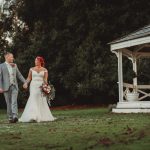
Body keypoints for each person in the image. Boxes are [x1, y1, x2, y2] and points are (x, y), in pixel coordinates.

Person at [19, 56, 56, 122]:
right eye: (35, 60)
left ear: (40, 62)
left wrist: (46, 87)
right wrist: (26, 83)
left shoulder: (45, 70)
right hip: (33, 85)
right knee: (33, 98)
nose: (35, 62)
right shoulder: (31, 69)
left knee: (41, 99)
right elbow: (29, 78)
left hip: (41, 86)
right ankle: (33, 116)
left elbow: (45, 79)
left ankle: (41, 115)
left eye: (37, 61)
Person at [0, 52, 27, 123]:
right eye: (11, 57)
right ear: (6, 57)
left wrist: (25, 82)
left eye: (12, 57)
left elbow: (19, 75)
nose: (13, 58)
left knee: (14, 102)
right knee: (8, 103)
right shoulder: (1, 66)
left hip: (14, 86)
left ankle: (15, 116)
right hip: (5, 87)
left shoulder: (15, 65)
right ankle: (10, 117)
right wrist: (0, 87)